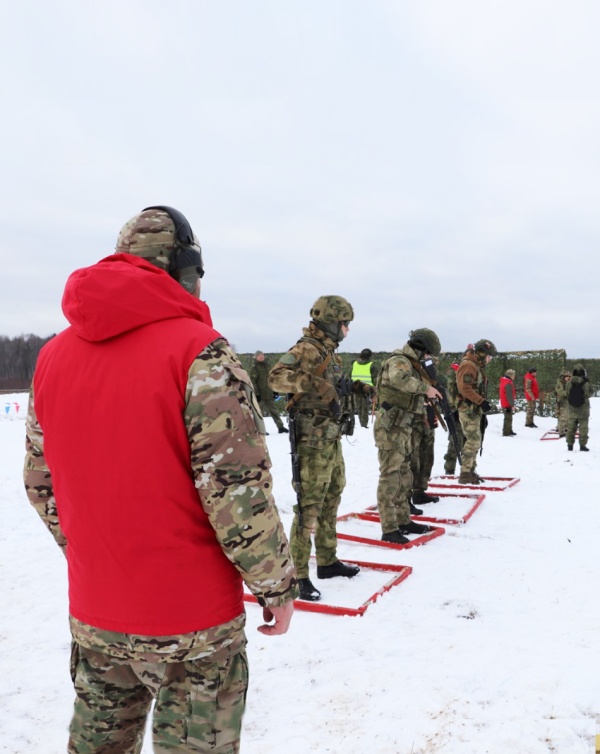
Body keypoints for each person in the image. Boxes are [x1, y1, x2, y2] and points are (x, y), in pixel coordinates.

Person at [23, 206, 297, 754]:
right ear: (184, 268)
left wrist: (97, 554)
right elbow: (236, 493)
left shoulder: (52, 357)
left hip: (98, 613)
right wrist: (276, 585)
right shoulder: (200, 352)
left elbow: (40, 482)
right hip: (193, 627)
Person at [268, 296, 374, 602]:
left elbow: (335, 383)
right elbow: (276, 378)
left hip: (330, 437)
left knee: (332, 496)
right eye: (345, 324)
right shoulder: (306, 348)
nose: (347, 330)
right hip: (312, 440)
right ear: (331, 322)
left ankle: (327, 561)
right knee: (309, 506)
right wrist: (314, 385)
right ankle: (297, 575)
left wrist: (359, 387)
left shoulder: (330, 352)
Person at [373, 328, 442, 544]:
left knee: (404, 475)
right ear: (421, 348)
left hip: (403, 427)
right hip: (390, 428)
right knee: (390, 477)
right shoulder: (399, 361)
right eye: (428, 353)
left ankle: (403, 520)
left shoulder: (413, 364)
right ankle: (389, 528)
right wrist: (426, 389)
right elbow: (399, 379)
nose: (428, 358)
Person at [456, 339, 497, 484]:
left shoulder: (475, 366)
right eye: (488, 356)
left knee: (473, 440)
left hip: (473, 409)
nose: (489, 360)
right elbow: (465, 388)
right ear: (481, 354)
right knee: (473, 440)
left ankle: (471, 470)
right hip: (468, 409)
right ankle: (465, 473)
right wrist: (481, 401)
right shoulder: (468, 365)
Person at [410, 400, 439, 509]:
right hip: (412, 415)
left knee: (427, 456)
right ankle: (406, 496)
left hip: (428, 411)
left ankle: (419, 491)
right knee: (412, 458)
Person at [250, 350, 288, 434]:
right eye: (259, 355)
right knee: (259, 413)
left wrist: (275, 391)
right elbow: (253, 382)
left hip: (269, 394)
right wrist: (256, 394)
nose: (261, 356)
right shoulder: (254, 368)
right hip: (260, 395)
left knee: (275, 412)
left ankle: (281, 427)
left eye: (262, 355)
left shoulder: (268, 366)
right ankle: (260, 429)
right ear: (256, 357)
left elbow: (272, 379)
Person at [442, 360, 465, 475]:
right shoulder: (452, 372)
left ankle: (466, 470)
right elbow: (450, 394)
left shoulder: (462, 372)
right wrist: (454, 409)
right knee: (455, 441)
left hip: (463, 411)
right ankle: (449, 469)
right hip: (454, 412)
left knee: (463, 442)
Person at [565, 364, 593, 451]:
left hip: (572, 409)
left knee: (570, 428)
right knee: (583, 429)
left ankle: (570, 445)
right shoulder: (586, 383)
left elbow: (567, 393)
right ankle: (582, 446)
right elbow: (590, 394)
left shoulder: (569, 383)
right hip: (583, 411)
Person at [351, 348, 378, 428]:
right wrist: (374, 390)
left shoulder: (354, 363)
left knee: (358, 405)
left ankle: (359, 422)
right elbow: (374, 379)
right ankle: (364, 424)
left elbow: (349, 375)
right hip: (366, 388)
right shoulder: (372, 365)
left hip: (355, 387)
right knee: (365, 406)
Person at [499, 368, 517, 436]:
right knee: (508, 418)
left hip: (505, 403)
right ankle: (506, 432)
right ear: (511, 375)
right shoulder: (508, 383)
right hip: (507, 404)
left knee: (509, 417)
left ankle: (509, 430)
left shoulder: (504, 381)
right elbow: (509, 396)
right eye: (513, 375)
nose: (514, 376)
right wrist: (512, 405)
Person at [554, 369, 570, 437]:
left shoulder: (568, 382)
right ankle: (561, 431)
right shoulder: (560, 383)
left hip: (567, 401)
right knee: (563, 416)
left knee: (567, 415)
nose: (568, 378)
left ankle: (565, 428)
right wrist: (568, 393)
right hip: (561, 401)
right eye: (566, 377)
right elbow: (560, 391)